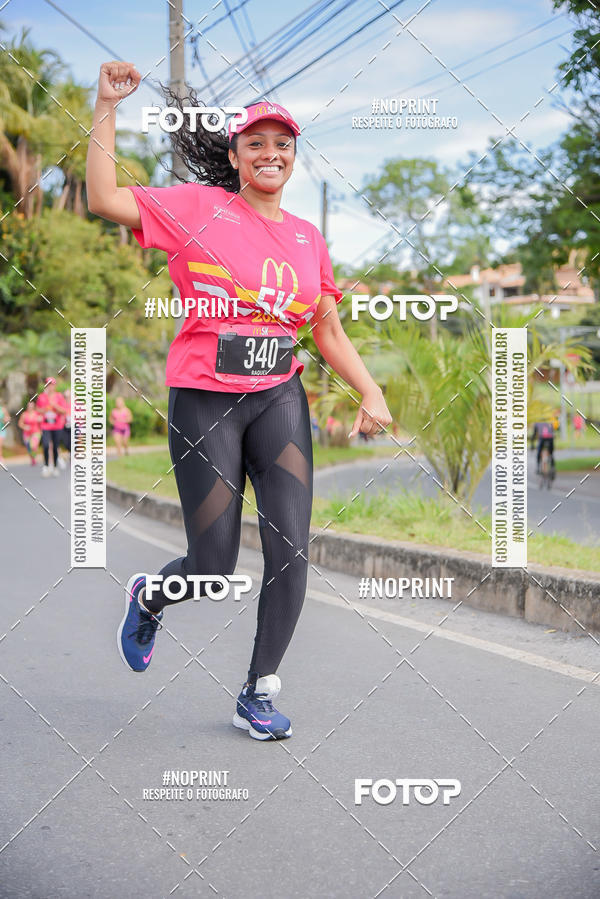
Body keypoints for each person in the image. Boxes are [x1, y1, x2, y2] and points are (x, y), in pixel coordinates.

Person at [86, 62, 392, 741]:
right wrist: (106, 104)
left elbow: (327, 330)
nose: (270, 153)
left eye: (282, 144)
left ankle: (258, 691)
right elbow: (104, 197)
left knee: (292, 552)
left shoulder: (308, 239)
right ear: (234, 156)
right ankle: (152, 594)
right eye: (255, 143)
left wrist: (369, 388)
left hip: (279, 398)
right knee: (213, 567)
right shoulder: (197, 208)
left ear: (294, 157)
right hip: (205, 403)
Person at [36, 378, 67, 477]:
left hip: (57, 425)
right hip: (45, 425)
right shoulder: (41, 397)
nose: (50, 386)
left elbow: (64, 411)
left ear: (55, 386)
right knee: (45, 445)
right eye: (48, 384)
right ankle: (46, 466)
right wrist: (45, 409)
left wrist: (54, 405)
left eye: (52, 384)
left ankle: (54, 467)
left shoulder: (59, 396)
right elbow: (38, 410)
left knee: (55, 447)